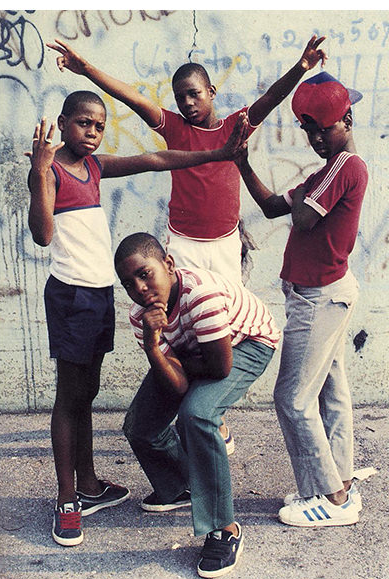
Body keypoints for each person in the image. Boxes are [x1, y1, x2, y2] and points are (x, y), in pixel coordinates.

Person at [46, 34, 327, 451]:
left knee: (223, 330)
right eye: (180, 97)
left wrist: (301, 67)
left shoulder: (235, 126)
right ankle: (183, 407)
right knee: (182, 328)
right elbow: (131, 97)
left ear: (211, 92)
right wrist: (86, 69)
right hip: (183, 245)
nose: (187, 103)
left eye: (194, 94)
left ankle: (215, 414)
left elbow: (270, 97)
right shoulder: (174, 127)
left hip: (225, 244)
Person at [25, 90, 249, 547]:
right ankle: (67, 500)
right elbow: (43, 234)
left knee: (85, 391)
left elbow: (153, 158)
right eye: (83, 123)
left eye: (100, 126)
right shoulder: (50, 172)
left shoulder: (92, 167)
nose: (92, 131)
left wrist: (221, 152)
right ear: (63, 123)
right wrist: (39, 171)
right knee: (70, 397)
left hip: (98, 295)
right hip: (70, 297)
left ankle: (88, 486)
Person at [235, 72, 369, 527]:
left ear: (347, 119)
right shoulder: (325, 171)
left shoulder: (344, 166)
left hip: (319, 299)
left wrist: (306, 196)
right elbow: (276, 207)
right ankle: (339, 483)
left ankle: (330, 500)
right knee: (331, 392)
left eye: (323, 128)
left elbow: (306, 219)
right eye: (308, 130)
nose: (315, 138)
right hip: (320, 295)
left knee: (292, 399)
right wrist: (242, 163)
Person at [114, 232, 280, 577]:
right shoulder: (140, 316)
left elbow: (220, 367)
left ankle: (225, 529)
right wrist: (152, 345)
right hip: (197, 350)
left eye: (145, 274)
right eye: (130, 284)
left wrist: (177, 363)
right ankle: (181, 486)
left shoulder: (199, 294)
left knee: (198, 415)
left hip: (246, 342)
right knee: (140, 426)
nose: (141, 288)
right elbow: (175, 384)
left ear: (169, 265)